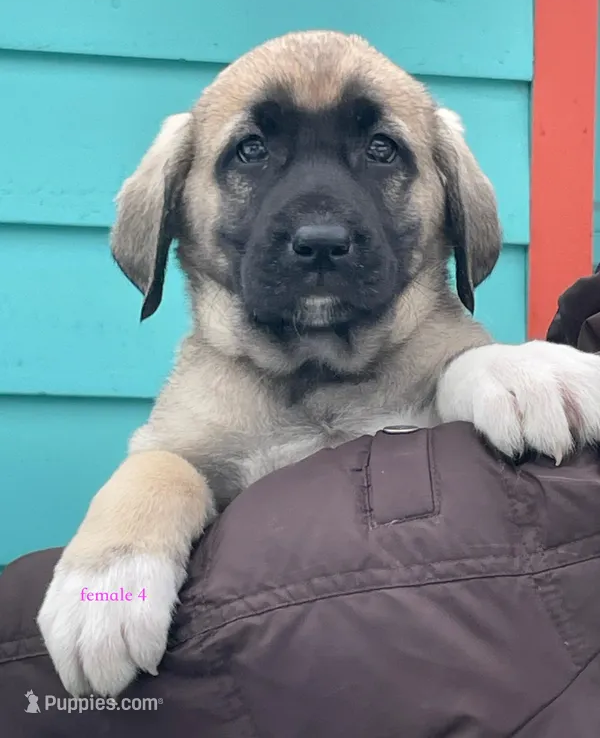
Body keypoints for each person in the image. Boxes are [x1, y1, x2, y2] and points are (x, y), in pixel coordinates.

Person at [2, 267, 600, 738]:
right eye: (250, 157)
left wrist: (476, 369)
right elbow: (172, 459)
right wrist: (117, 569)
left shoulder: (453, 361)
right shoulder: (210, 396)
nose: (321, 228)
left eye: (382, 156)